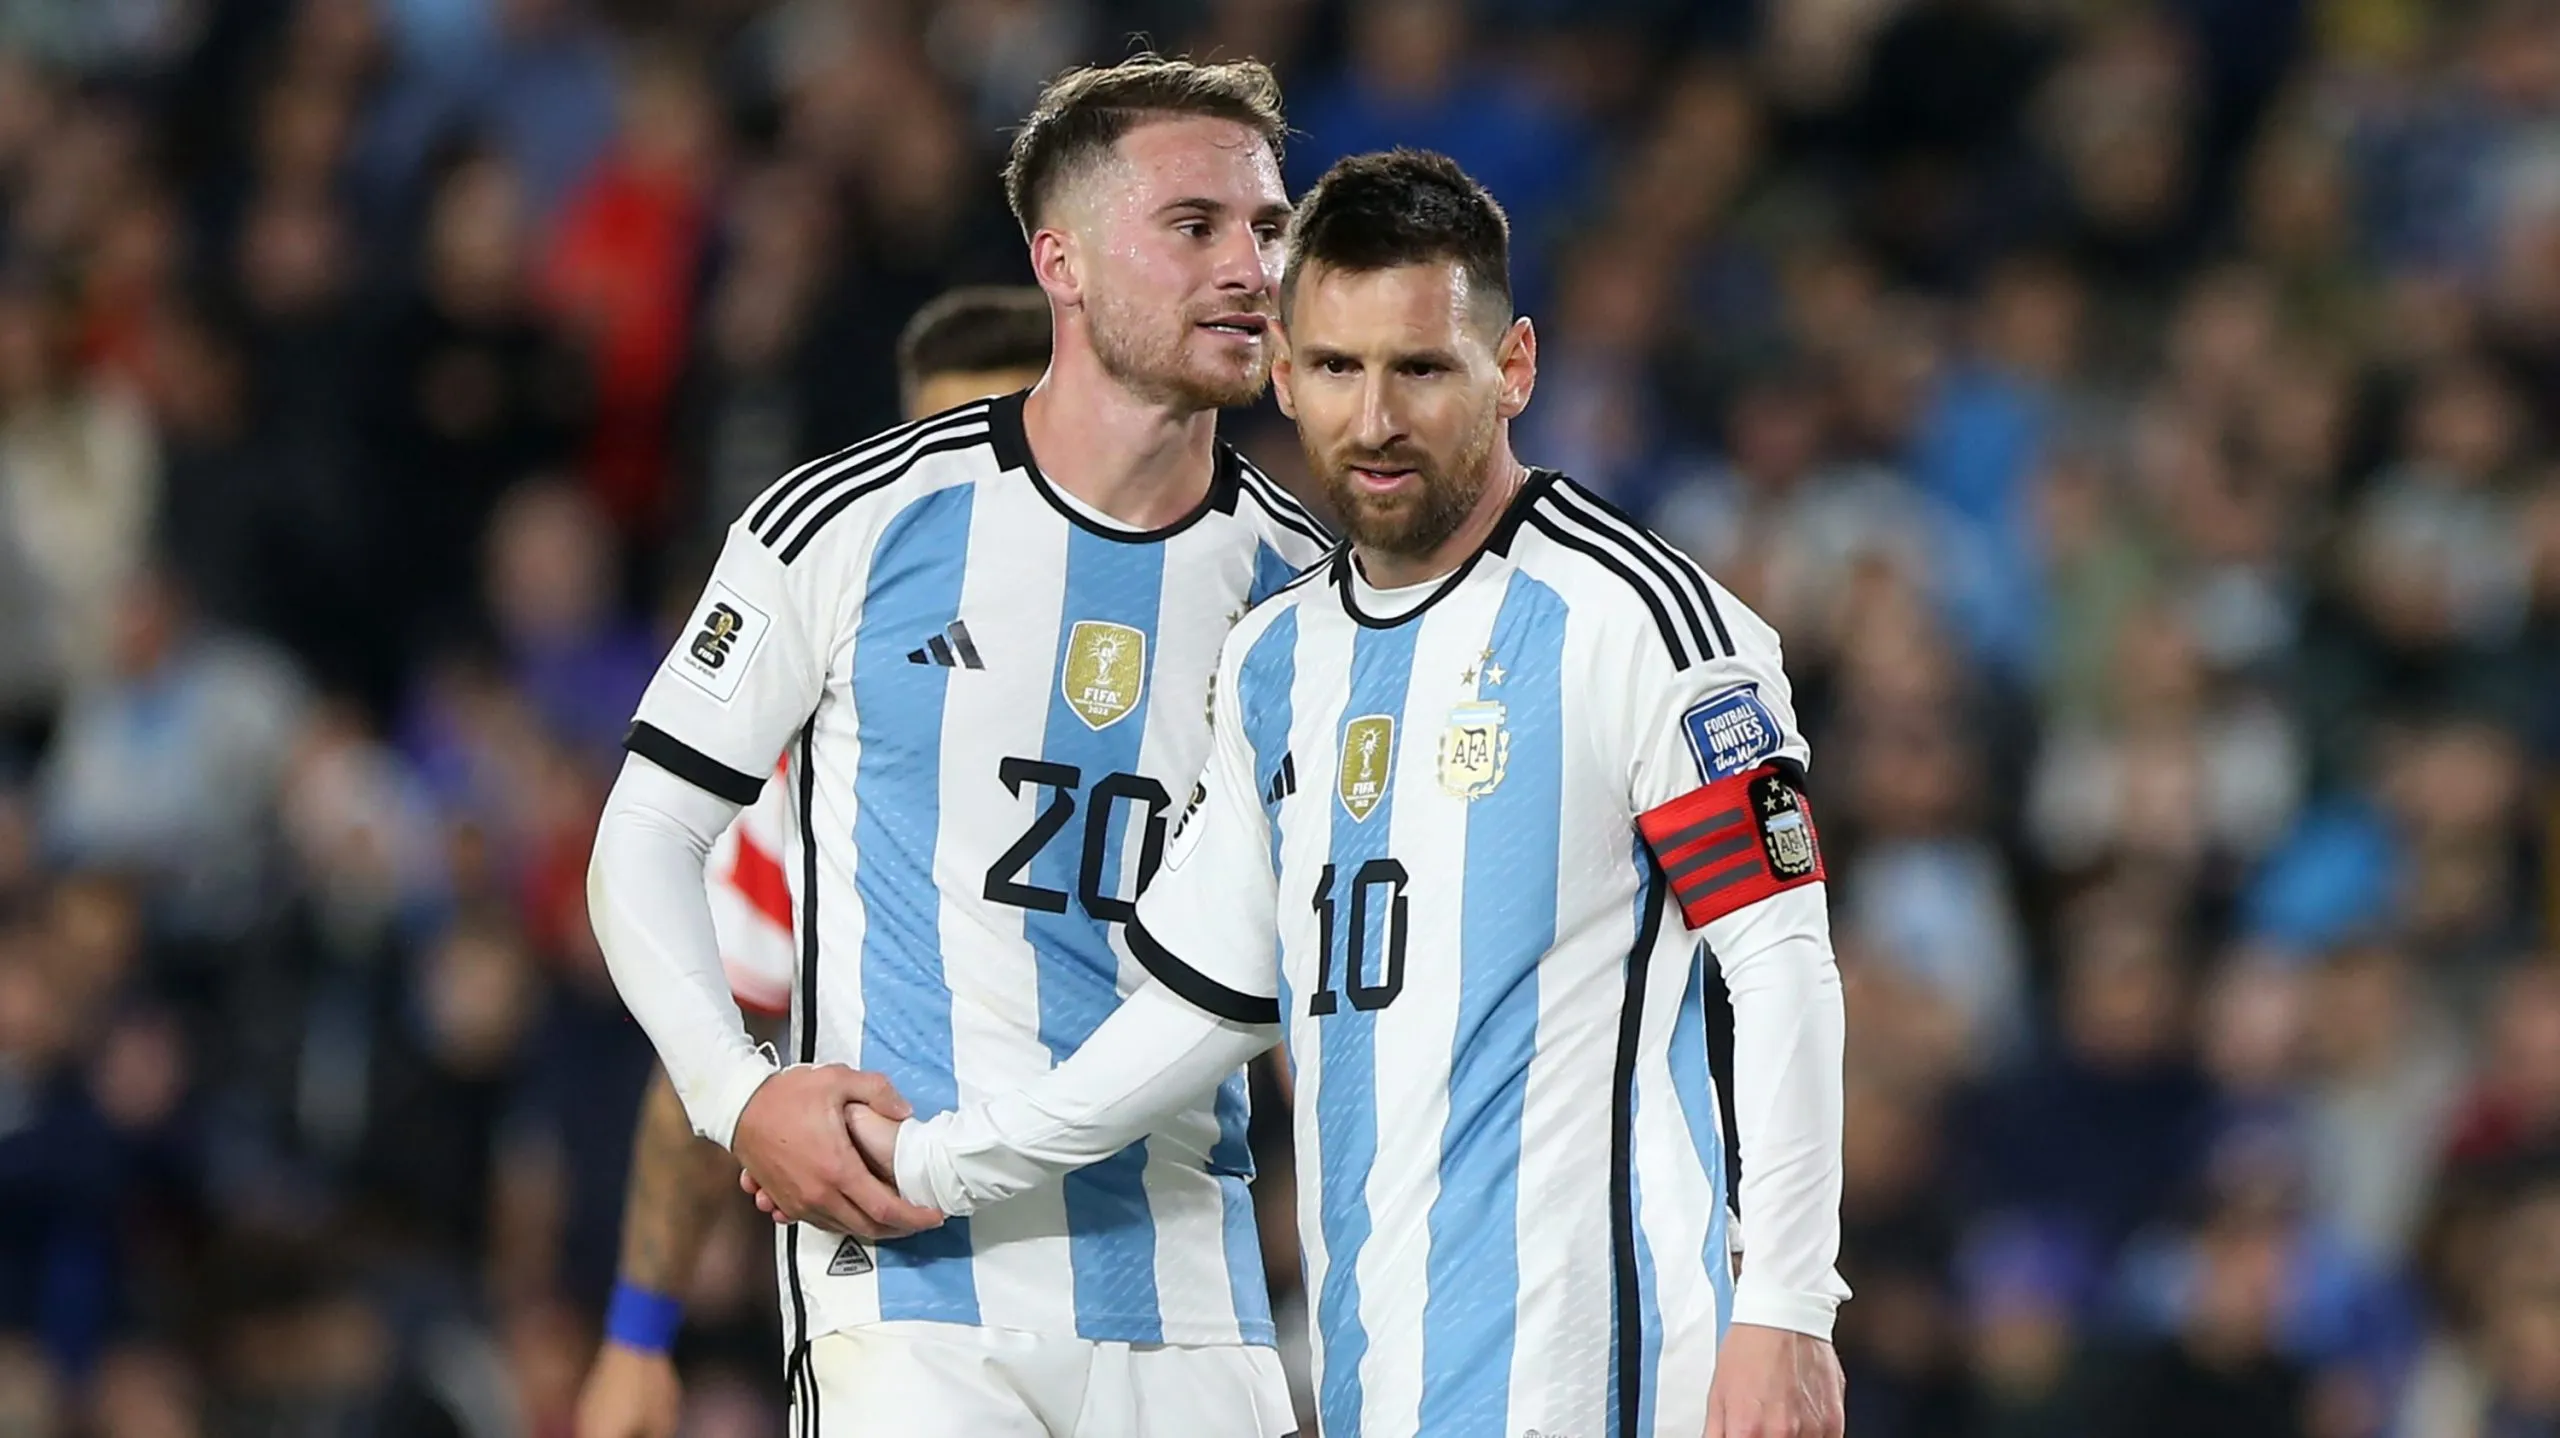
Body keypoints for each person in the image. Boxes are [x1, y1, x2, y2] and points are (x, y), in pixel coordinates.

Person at [842, 150, 1853, 1438]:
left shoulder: (1637, 622)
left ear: (1515, 368)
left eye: (1421, 370)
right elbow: (1200, 1011)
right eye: (1333, 367)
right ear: (1279, 370)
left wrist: (1787, 1308)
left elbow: (1779, 963)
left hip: (1611, 1366)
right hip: (1386, 1377)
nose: (1373, 418)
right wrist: (934, 1160)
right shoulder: (1278, 658)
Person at [587, 57, 1329, 1438]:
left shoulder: (1309, 593)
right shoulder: (849, 524)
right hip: (907, 1286)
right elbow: (645, 833)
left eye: (1269, 228)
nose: (1252, 267)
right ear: (1063, 260)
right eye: (1196, 226)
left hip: (1187, 1282)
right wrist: (736, 1099)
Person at [574, 284, 1054, 1438]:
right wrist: (638, 1337)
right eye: (936, 449)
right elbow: (712, 1036)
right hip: (909, 1311)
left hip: (1171, 1288)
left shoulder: (1209, 667)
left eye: (999, 448)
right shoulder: (804, 781)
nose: (965, 494)